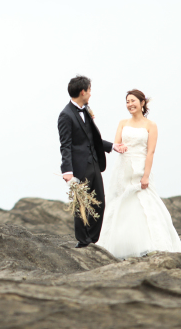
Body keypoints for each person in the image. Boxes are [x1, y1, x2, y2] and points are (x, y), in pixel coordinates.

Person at [96, 89, 181, 259]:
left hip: (140, 167)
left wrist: (145, 175)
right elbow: (117, 143)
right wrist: (119, 147)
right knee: (120, 203)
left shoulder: (151, 125)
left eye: (133, 101)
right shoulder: (122, 123)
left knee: (144, 202)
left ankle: (149, 244)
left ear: (142, 102)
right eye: (127, 101)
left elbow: (150, 152)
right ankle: (120, 245)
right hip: (123, 168)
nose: (130, 104)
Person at [58, 75, 127, 248]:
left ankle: (93, 240)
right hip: (79, 168)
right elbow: (65, 145)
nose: (90, 94)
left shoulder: (85, 109)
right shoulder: (65, 115)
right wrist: (67, 170)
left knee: (100, 203)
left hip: (94, 164)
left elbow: (91, 139)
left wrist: (112, 146)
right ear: (83, 92)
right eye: (89, 90)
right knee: (82, 204)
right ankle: (83, 241)